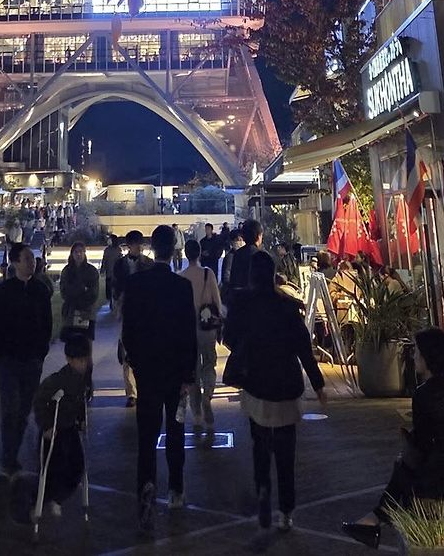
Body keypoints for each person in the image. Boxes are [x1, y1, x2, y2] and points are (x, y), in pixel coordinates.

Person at [342, 327, 444, 548]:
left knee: (406, 463)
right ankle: (374, 519)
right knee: (407, 463)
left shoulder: (424, 394)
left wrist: (410, 444)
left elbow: (423, 445)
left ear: (428, 357)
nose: (413, 356)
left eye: (417, 351)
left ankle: (375, 519)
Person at [223, 249, 327, 530]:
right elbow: (304, 348)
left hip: (255, 381)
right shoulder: (287, 306)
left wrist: (245, 347)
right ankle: (286, 511)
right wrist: (318, 384)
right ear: (272, 274)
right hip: (285, 383)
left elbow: (228, 337)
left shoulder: (242, 304)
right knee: (286, 450)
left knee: (259, 443)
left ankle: (263, 490)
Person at [121, 224, 198, 533]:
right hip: (175, 374)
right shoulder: (182, 287)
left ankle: (146, 487)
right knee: (175, 432)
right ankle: (176, 488)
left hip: (148, 372)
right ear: (174, 249)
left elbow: (128, 330)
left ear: (153, 247)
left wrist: (136, 363)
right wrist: (188, 373)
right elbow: (189, 334)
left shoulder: (136, 284)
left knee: (147, 436)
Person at [0, 242, 53, 479]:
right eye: (27, 259)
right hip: (8, 360)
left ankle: (13, 453)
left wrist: (41, 351)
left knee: (23, 409)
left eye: (32, 259)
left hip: (32, 359)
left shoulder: (40, 290)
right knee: (10, 409)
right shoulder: (3, 292)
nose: (32, 263)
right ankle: (8, 458)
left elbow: (47, 324)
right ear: (15, 263)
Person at [31, 332, 94, 519]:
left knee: (77, 466)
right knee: (51, 468)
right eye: (79, 361)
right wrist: (46, 426)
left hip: (69, 428)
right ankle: (37, 503)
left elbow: (81, 402)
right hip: (53, 430)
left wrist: (81, 420)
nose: (83, 364)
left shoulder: (84, 379)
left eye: (85, 360)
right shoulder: (57, 381)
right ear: (69, 359)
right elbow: (39, 401)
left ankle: (57, 498)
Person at [179, 236, 222, 434]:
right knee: (209, 364)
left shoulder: (181, 277)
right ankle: (208, 395)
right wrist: (221, 324)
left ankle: (196, 414)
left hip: (188, 330)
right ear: (199, 254)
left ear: (186, 254)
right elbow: (217, 302)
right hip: (207, 327)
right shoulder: (208, 273)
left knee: (193, 371)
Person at [112, 231, 147, 404]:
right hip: (126, 310)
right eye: (135, 244)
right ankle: (131, 392)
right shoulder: (120, 265)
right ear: (129, 246)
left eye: (140, 244)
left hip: (144, 312)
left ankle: (143, 387)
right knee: (126, 352)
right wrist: (117, 306)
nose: (139, 247)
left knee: (144, 351)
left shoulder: (148, 264)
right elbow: (116, 286)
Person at [59, 240, 100, 340]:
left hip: (87, 312)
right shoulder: (67, 271)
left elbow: (93, 292)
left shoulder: (91, 271)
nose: (79, 254)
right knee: (70, 341)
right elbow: (64, 291)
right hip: (70, 311)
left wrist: (81, 296)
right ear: (72, 254)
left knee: (87, 341)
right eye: (76, 252)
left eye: (81, 252)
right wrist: (81, 289)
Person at [225, 219, 262, 313]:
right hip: (258, 305)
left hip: (240, 304)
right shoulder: (263, 256)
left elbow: (233, 281)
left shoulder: (237, 255)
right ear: (259, 236)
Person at [100, 234, 122, 309]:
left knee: (112, 289)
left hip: (113, 273)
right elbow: (104, 261)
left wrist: (102, 269)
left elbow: (104, 261)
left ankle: (113, 302)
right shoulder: (116, 249)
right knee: (111, 289)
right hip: (112, 273)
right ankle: (112, 303)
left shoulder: (110, 250)